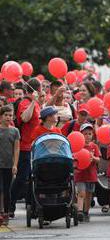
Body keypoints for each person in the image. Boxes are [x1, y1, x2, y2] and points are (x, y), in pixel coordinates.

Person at [10, 78, 41, 217]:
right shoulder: (25, 103)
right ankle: (9, 205)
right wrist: (33, 102)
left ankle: (31, 207)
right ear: (36, 90)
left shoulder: (36, 103)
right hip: (25, 146)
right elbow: (25, 118)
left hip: (35, 146)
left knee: (32, 178)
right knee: (22, 178)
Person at [74, 123, 100, 223]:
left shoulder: (94, 146)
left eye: (90, 133)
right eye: (85, 133)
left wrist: (93, 158)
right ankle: (80, 211)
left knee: (89, 195)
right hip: (80, 174)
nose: (88, 136)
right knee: (81, 193)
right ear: (81, 135)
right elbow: (74, 158)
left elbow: (98, 159)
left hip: (91, 174)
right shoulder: (78, 146)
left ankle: (86, 212)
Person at [0, 105, 20, 226]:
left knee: (7, 190)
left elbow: (16, 149)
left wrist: (15, 164)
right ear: (1, 116)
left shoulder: (14, 131)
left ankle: (6, 212)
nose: (8, 117)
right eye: (6, 115)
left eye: (10, 115)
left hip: (8, 165)